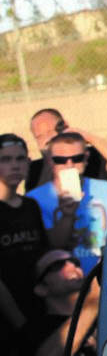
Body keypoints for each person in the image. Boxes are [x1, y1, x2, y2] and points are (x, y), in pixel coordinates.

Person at [27, 132, 107, 277]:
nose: (69, 164)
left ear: (86, 158)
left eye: (77, 158)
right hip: (66, 283)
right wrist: (67, 215)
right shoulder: (34, 200)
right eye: (60, 160)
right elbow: (48, 249)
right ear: (49, 161)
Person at [0, 134, 50, 354]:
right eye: (5, 159)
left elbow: (45, 253)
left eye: (20, 159)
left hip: (38, 307)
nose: (14, 166)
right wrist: (20, 322)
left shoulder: (30, 206)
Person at [25, 109, 107, 191]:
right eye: (39, 136)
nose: (47, 139)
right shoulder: (35, 170)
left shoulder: (91, 156)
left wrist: (91, 139)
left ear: (64, 127)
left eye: (50, 132)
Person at [14, 250, 98, 356]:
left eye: (75, 262)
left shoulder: (102, 316)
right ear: (41, 288)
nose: (71, 265)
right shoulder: (32, 331)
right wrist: (93, 301)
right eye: (57, 265)